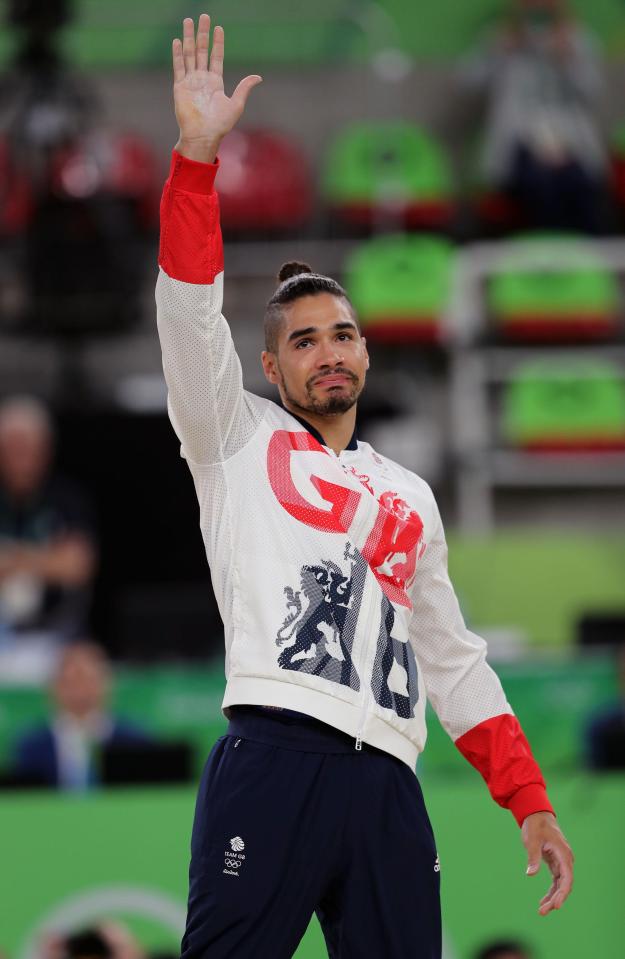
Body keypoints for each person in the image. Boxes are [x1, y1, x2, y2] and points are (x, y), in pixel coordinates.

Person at [156, 15, 574, 958]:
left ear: (367, 351)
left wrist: (529, 802)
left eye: (341, 333)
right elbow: (187, 314)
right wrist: (194, 162)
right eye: (301, 340)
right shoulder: (231, 435)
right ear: (268, 366)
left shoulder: (409, 493)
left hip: (390, 775)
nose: (327, 351)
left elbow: (454, 659)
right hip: (274, 748)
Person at [462, 0, 607, 233]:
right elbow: (469, 84)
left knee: (579, 184)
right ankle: (544, 254)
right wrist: (498, 50)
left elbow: (592, 91)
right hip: (519, 142)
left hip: (571, 144)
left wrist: (568, 57)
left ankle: (585, 257)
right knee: (539, 182)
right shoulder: (502, 37)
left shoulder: (576, 38)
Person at [0, 396, 97, 677]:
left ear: (45, 449)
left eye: (27, 447)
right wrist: (47, 559)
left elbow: (77, 566)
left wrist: (13, 558)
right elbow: (60, 561)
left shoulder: (67, 499)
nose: (20, 456)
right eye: (11, 447)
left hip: (56, 638)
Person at [12, 641, 148, 789]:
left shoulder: (135, 741)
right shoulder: (31, 746)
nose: (80, 691)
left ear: (107, 685)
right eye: (71, 682)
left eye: (88, 681)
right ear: (54, 688)